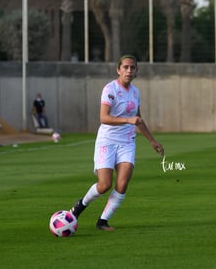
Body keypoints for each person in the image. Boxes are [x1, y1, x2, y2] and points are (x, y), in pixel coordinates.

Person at [70, 55, 164, 231]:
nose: (129, 70)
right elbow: (104, 118)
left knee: (122, 183)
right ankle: (79, 207)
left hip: (127, 142)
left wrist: (152, 141)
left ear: (136, 71)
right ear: (118, 70)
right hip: (107, 141)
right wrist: (128, 120)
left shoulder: (135, 92)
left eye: (132, 68)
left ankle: (103, 221)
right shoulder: (110, 89)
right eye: (126, 67)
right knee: (104, 185)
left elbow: (138, 119)